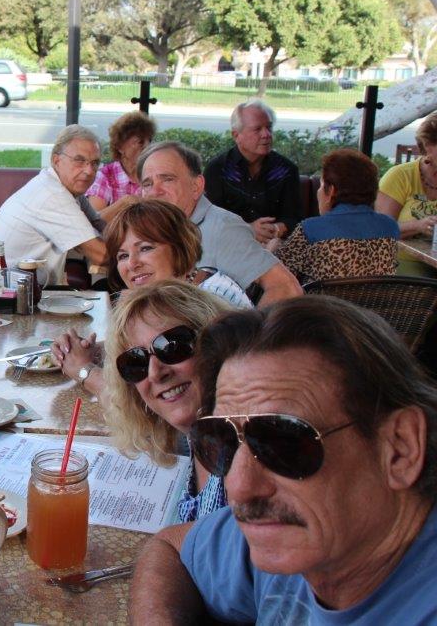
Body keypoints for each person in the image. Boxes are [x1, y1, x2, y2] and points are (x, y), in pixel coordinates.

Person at [131, 296, 437, 623]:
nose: (240, 486)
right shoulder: (296, 532)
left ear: (401, 448)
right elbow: (171, 548)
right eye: (223, 441)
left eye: (284, 442)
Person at [56, 281, 233, 522]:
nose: (154, 372)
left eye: (172, 347)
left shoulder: (245, 455)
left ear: (218, 343)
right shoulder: (198, 437)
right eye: (135, 362)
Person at [137, 140, 302, 306]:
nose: (155, 192)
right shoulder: (151, 231)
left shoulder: (223, 229)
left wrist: (248, 331)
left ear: (196, 186)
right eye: (148, 184)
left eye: (167, 179)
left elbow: (286, 288)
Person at [0, 124, 108, 285]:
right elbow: (101, 256)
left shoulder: (62, 186)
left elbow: (98, 224)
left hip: (20, 283)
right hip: (5, 291)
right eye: (79, 160)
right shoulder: (53, 195)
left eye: (95, 163)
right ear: (56, 160)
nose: (89, 171)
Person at [275, 149, 398, 282]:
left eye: (321, 186)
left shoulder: (310, 230)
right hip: (376, 303)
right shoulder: (390, 227)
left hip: (323, 303)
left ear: (332, 190)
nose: (319, 191)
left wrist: (272, 249)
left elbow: (277, 276)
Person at [104, 199, 253, 309]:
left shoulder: (209, 303)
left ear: (179, 247)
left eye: (145, 248)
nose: (132, 264)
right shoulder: (178, 290)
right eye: (123, 256)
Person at [204, 100, 301, 244]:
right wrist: (247, 229)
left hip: (274, 246)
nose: (266, 134)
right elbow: (209, 219)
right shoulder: (218, 169)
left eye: (269, 127)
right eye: (257, 129)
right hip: (228, 245)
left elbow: (295, 218)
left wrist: (275, 228)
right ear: (236, 135)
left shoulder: (286, 170)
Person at [376, 111, 437, 276]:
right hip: (402, 263)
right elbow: (379, 230)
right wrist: (418, 225)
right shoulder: (401, 176)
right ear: (426, 147)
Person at [85, 111, 156, 214]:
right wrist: (124, 203)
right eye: (140, 142)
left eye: (149, 141)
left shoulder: (154, 174)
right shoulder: (105, 176)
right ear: (120, 147)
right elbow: (94, 222)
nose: (147, 147)